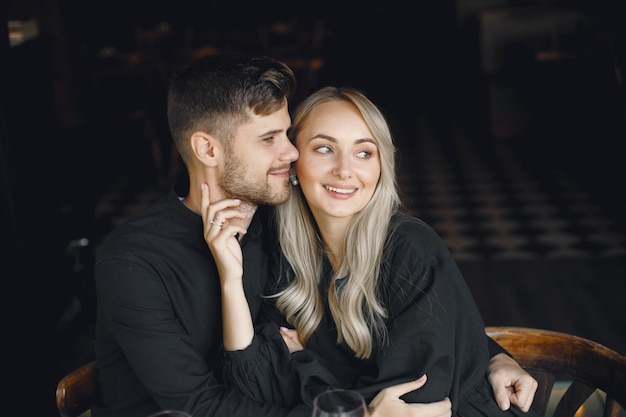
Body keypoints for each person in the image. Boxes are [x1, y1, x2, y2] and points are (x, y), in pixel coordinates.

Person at [94, 54, 534, 417]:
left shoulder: (278, 226)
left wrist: (486, 354)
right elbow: (199, 405)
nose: (291, 151)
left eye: (288, 135)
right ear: (208, 149)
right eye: (270, 139)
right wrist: (352, 415)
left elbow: (407, 305)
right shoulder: (133, 261)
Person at [203, 85, 538, 415]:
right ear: (293, 160)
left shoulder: (410, 248)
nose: (345, 170)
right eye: (324, 149)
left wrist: (303, 366)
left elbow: (414, 401)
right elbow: (253, 385)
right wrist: (231, 279)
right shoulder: (280, 250)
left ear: (380, 167)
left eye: (364, 152)